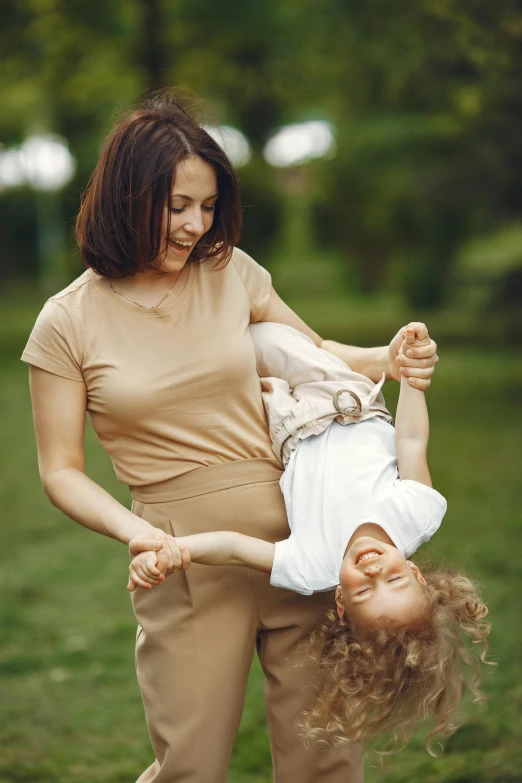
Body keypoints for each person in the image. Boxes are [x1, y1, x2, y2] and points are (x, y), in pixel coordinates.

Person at [22, 93, 439, 783]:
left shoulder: (229, 270)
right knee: (190, 764)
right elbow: (61, 470)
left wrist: (384, 358)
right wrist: (140, 536)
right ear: (127, 196)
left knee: (327, 760)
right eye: (177, 205)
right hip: (186, 558)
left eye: (208, 206)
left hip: (301, 538)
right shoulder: (65, 323)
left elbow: (312, 350)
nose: (195, 225)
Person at [129, 321, 491, 755]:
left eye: (363, 591)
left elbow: (235, 548)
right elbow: (411, 440)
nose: (374, 571)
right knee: (259, 337)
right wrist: (410, 375)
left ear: (339, 601)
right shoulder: (417, 515)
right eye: (394, 580)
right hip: (344, 393)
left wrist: (178, 552)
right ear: (415, 573)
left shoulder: (311, 566)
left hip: (283, 423)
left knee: (208, 377)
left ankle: (154, 339)